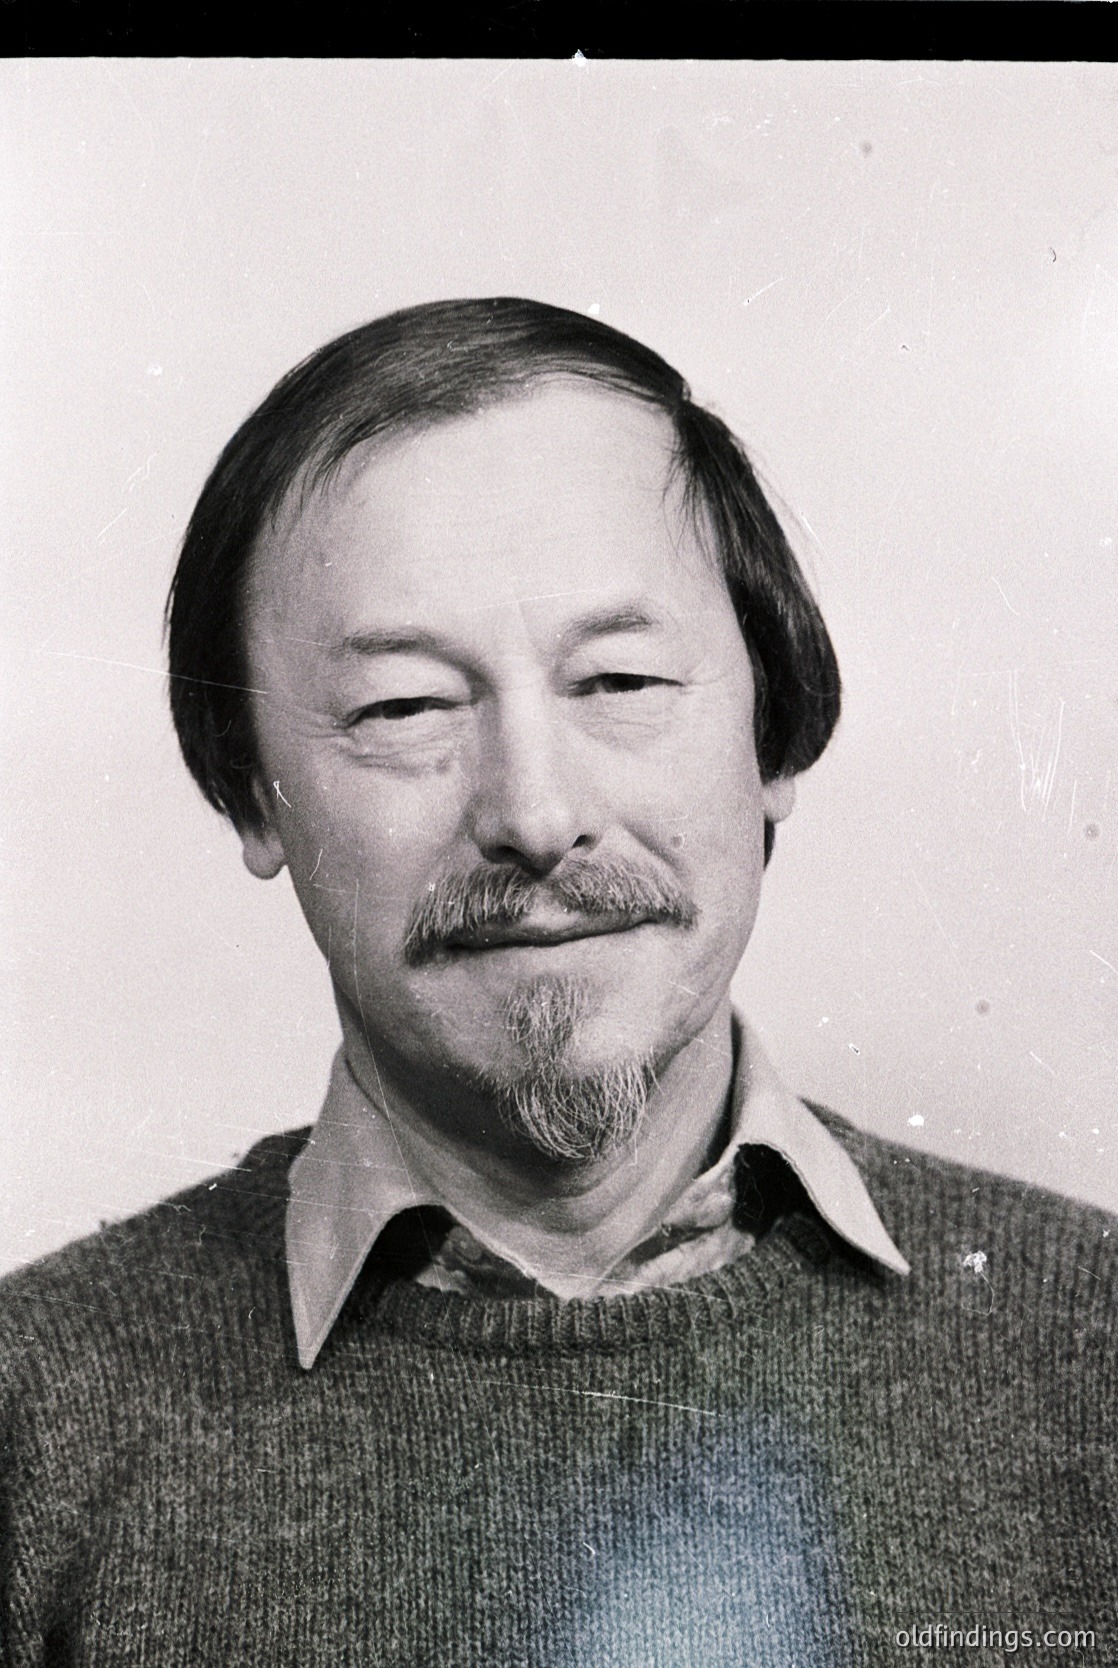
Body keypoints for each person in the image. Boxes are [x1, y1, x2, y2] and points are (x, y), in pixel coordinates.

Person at [1, 298, 1113, 1666]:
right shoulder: (31, 1423)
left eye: (621, 679)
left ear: (773, 731)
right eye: (403, 706)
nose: (533, 813)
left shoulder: (1094, 1354)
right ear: (253, 794)